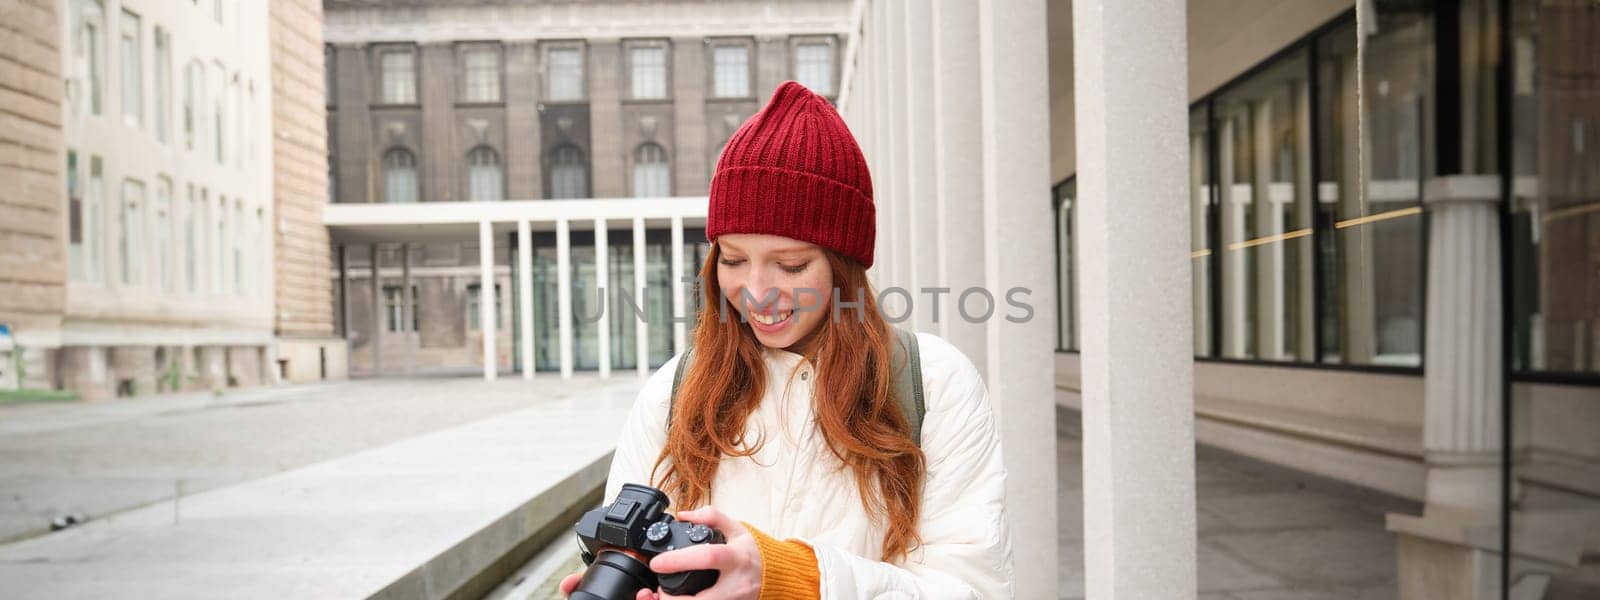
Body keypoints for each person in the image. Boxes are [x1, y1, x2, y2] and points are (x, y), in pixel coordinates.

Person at [560, 81, 1013, 599]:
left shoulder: (934, 384)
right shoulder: (672, 391)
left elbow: (974, 590)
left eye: (791, 265)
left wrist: (791, 579)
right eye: (732, 259)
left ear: (844, 266)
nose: (755, 293)